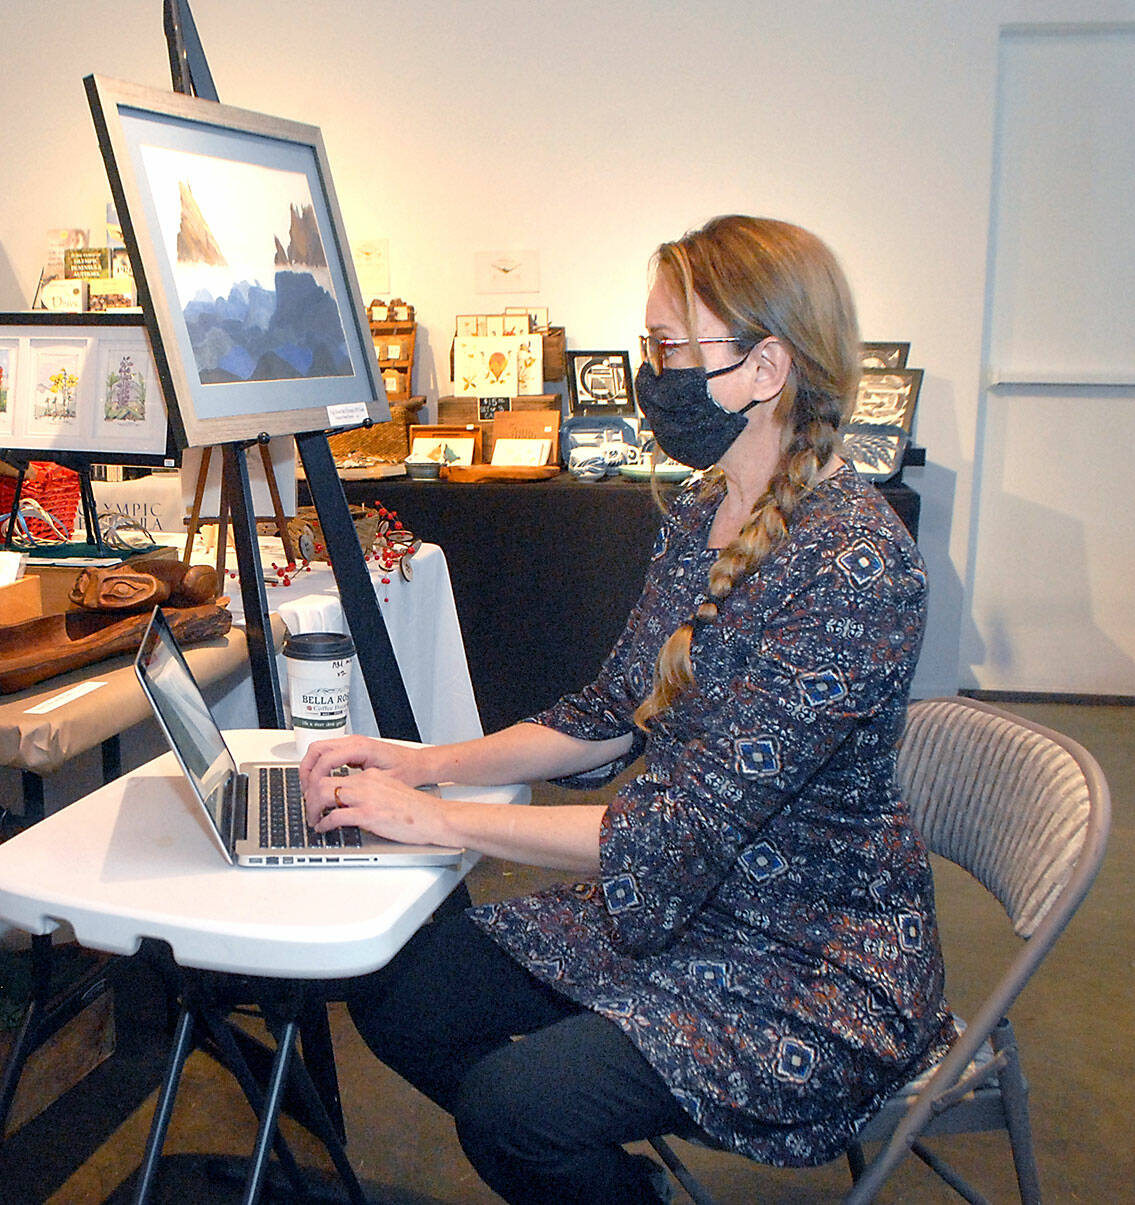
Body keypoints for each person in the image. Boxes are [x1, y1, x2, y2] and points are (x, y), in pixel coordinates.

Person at [300, 215, 957, 1204]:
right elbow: (609, 713)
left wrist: (433, 819)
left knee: (514, 1109)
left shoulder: (855, 564)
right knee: (401, 993)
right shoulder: (703, 510)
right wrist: (421, 762)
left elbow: (672, 834)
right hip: (688, 912)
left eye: (668, 349)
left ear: (765, 367)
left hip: (811, 962)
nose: (652, 375)